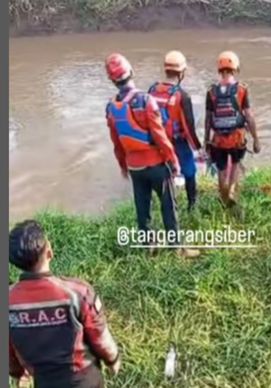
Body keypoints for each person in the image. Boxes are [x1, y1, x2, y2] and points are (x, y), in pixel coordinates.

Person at [104, 53, 199, 258]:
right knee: (168, 206)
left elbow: (116, 142)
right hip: (156, 164)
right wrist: (174, 162)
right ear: (132, 72)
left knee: (142, 206)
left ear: (112, 80)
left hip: (134, 166)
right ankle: (177, 249)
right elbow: (160, 135)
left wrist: (123, 165)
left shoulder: (111, 107)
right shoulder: (145, 101)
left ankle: (149, 246)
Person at [9, 220, 121, 387]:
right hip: (83, 379)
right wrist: (113, 359)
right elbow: (99, 336)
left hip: (45, 380)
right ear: (49, 252)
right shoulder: (77, 293)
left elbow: (8, 351)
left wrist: (17, 372)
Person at [149, 50, 203, 211]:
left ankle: (169, 205)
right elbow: (188, 127)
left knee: (165, 173)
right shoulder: (182, 96)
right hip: (178, 142)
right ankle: (192, 204)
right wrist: (198, 149)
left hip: (157, 142)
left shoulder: (152, 90)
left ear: (166, 70)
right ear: (182, 73)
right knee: (189, 171)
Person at [204, 51, 260, 207]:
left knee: (221, 170)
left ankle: (223, 199)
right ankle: (232, 192)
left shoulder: (211, 91)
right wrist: (256, 139)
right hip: (237, 139)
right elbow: (249, 116)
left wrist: (206, 141)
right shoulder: (241, 89)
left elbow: (208, 119)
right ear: (236, 69)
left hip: (218, 141)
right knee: (235, 165)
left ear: (219, 70)